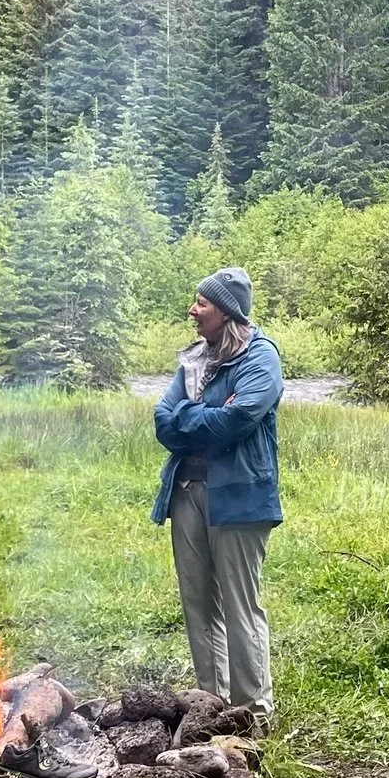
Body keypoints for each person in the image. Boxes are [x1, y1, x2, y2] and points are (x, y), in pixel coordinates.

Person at [151, 267, 283, 722]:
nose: (193, 310)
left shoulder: (260, 357)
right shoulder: (194, 357)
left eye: (201, 303)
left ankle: (252, 713)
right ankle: (211, 706)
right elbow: (163, 422)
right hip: (187, 491)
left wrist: (191, 417)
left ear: (226, 312)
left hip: (240, 497)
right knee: (198, 603)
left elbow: (240, 420)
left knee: (239, 603)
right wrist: (204, 414)